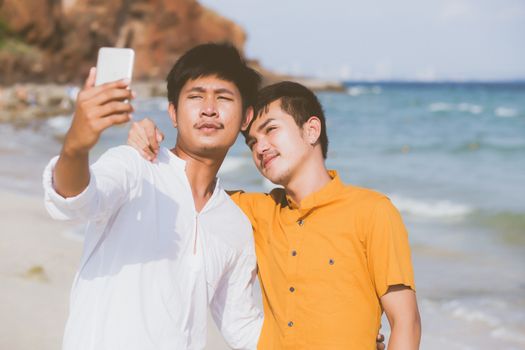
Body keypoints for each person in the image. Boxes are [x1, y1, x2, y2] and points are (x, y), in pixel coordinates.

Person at [129, 81, 421, 349]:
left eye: (270, 130)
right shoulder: (254, 212)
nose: (260, 147)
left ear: (311, 130)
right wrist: (149, 142)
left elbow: (406, 323)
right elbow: (187, 188)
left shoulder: (372, 211)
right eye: (252, 142)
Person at [42, 43, 264, 350]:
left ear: (245, 118)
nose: (209, 109)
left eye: (224, 97)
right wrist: (76, 146)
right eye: (196, 96)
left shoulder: (235, 224)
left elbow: (242, 326)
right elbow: (74, 199)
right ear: (172, 112)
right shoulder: (135, 166)